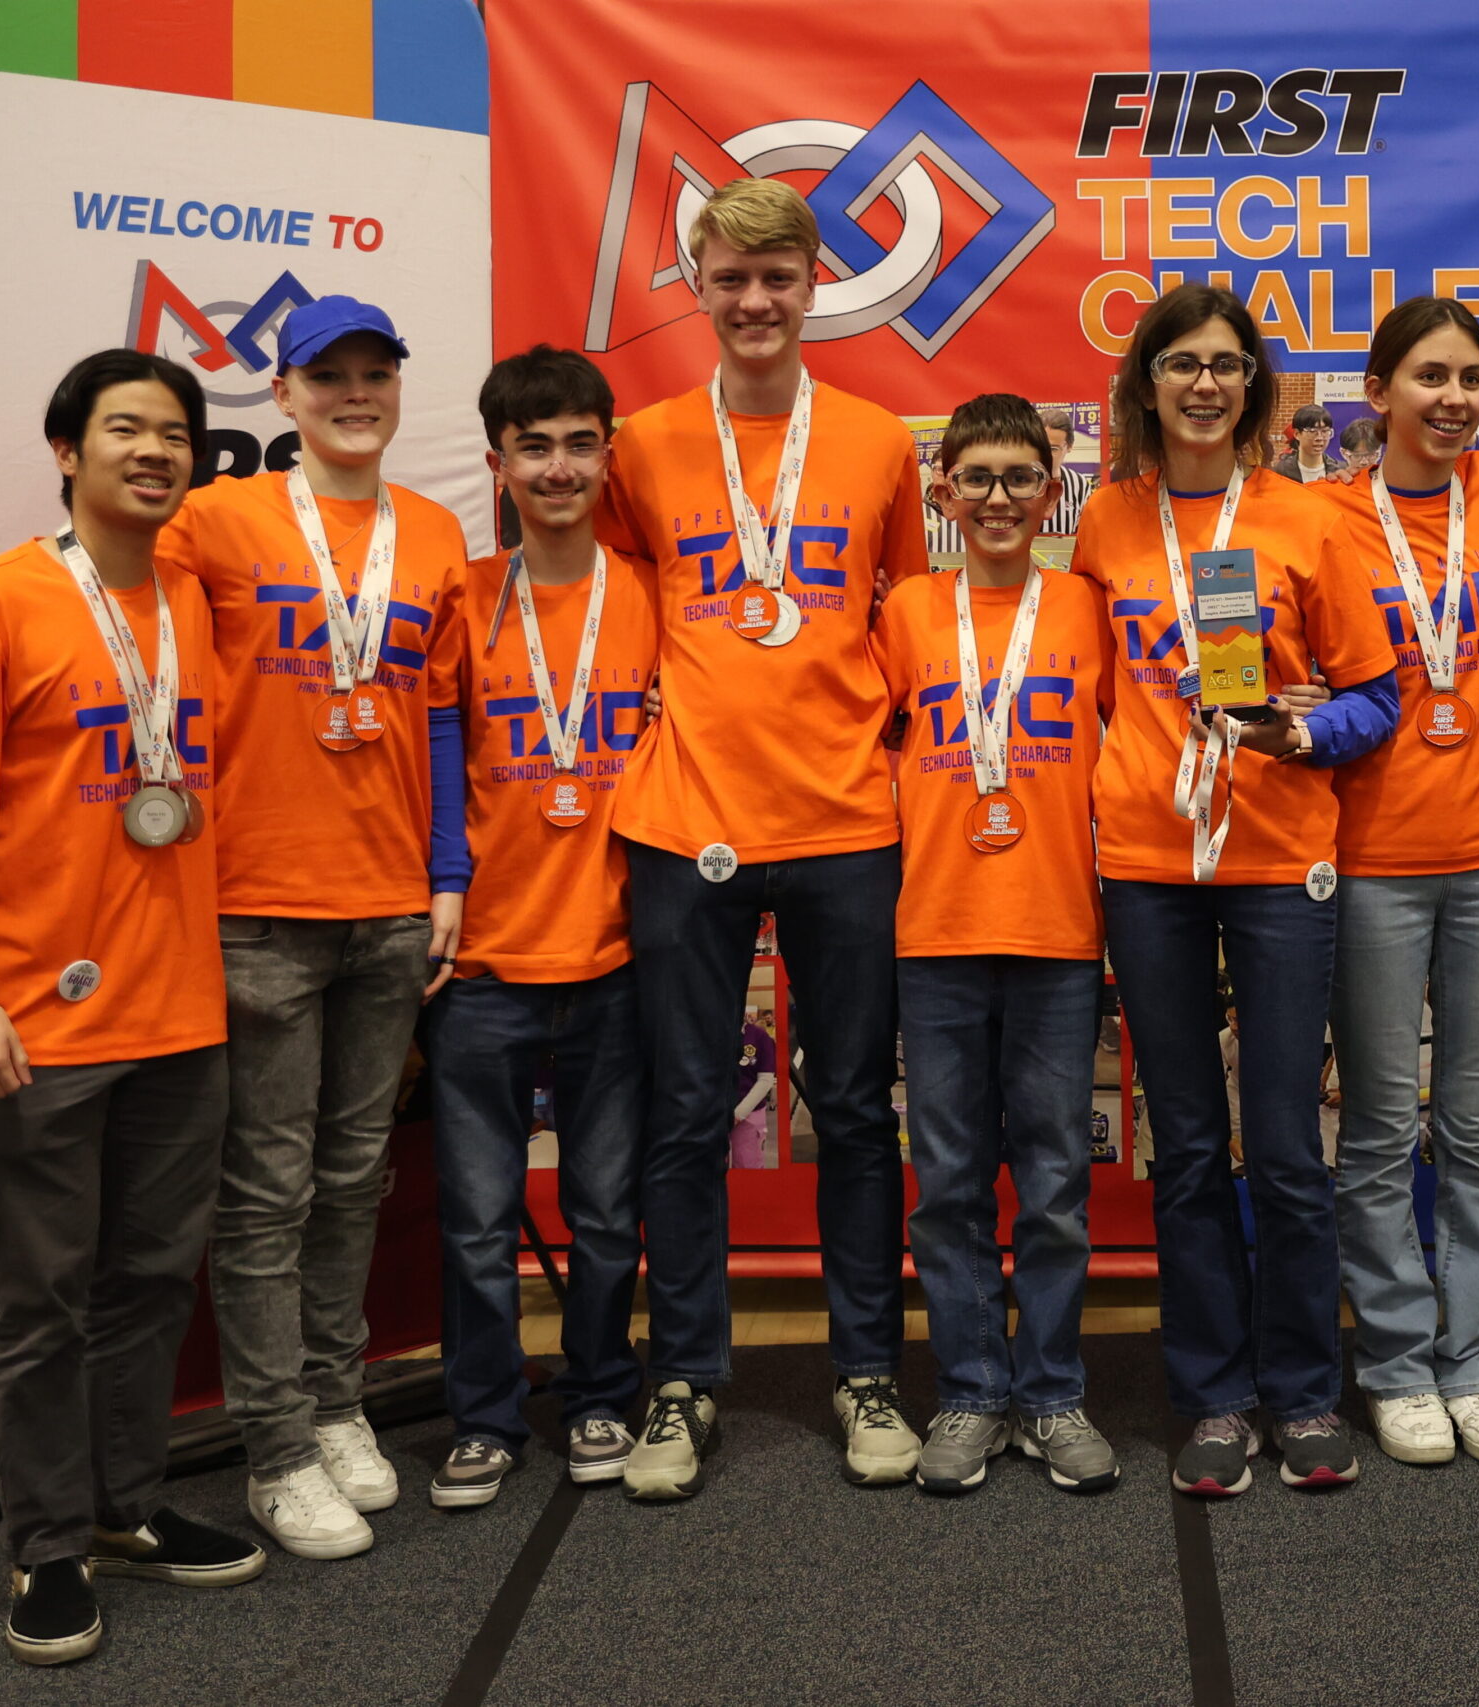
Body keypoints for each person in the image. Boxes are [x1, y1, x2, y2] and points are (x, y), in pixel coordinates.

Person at [0, 296, 470, 1557]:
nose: (355, 393)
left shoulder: (427, 535)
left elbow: (437, 709)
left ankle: (320, 1412)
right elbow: (70, 583)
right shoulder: (215, 521)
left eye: (376, 373)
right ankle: (264, 1451)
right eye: (328, 374)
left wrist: (445, 872)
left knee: (336, 1185)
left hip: (356, 918)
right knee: (247, 1202)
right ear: (285, 393)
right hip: (242, 918)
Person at [0, 349, 265, 1665]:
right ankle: (45, 1545)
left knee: (152, 1284)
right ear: (67, 451)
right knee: (43, 1298)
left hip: (180, 1013)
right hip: (38, 1025)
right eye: (125, 428)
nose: (154, 451)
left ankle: (126, 1504)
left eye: (175, 433)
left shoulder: (193, 597)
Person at [594, 177, 932, 1492]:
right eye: (729, 278)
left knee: (850, 1107)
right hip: (686, 820)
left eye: (775, 276)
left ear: (812, 284)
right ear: (697, 284)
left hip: (846, 815)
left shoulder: (879, 441)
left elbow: (905, 615)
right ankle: (684, 1380)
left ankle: (866, 1371)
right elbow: (613, 602)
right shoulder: (639, 444)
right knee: (686, 1110)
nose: (753, 301)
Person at [1073, 284, 1399, 1496]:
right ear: (1146, 384)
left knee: (1287, 1145)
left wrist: (1297, 736)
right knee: (1188, 1147)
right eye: (1181, 364)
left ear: (1253, 385)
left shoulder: (1307, 518)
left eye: (1225, 364)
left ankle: (1304, 1391)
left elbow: (1375, 698)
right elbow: (1087, 688)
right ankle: (1213, 1398)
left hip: (1276, 856)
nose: (1204, 384)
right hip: (1149, 862)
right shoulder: (1106, 519)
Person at [424, 347, 657, 1507]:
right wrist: (441, 883)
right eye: (533, 448)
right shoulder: (462, 597)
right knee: (476, 1222)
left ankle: (602, 1391)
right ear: (497, 463)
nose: (557, 469)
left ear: (608, 456)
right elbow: (433, 751)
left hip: (619, 956)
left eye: (577, 444)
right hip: (484, 966)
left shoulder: (654, 595)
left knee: (607, 1212)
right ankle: (483, 1416)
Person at [880, 393, 1120, 1496]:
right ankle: (974, 1390)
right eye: (975, 478)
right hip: (934, 933)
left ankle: (1054, 1392)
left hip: (1057, 931)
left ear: (1051, 490)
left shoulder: (1085, 608)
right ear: (943, 494)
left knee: (1057, 1184)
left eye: (1020, 477)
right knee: (947, 1184)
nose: (997, 497)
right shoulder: (906, 612)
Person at [1318, 297, 1479, 1467]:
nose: (1452, 398)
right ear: (1378, 392)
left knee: (1474, 1126)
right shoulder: (1323, 518)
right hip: (1373, 864)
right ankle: (1398, 1364)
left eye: (1469, 378)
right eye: (1428, 377)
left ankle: (1474, 1361)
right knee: (1375, 1130)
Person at [1037, 406, 1095, 537]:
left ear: (1069, 446)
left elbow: (1085, 534)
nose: (1045, 455)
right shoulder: (1021, 480)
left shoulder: (1079, 485)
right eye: (1041, 447)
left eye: (1053, 449)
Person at [1270, 404, 1338, 484]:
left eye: (1325, 431)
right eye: (1312, 431)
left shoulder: (1339, 470)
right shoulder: (1280, 472)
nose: (1319, 438)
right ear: (1297, 434)